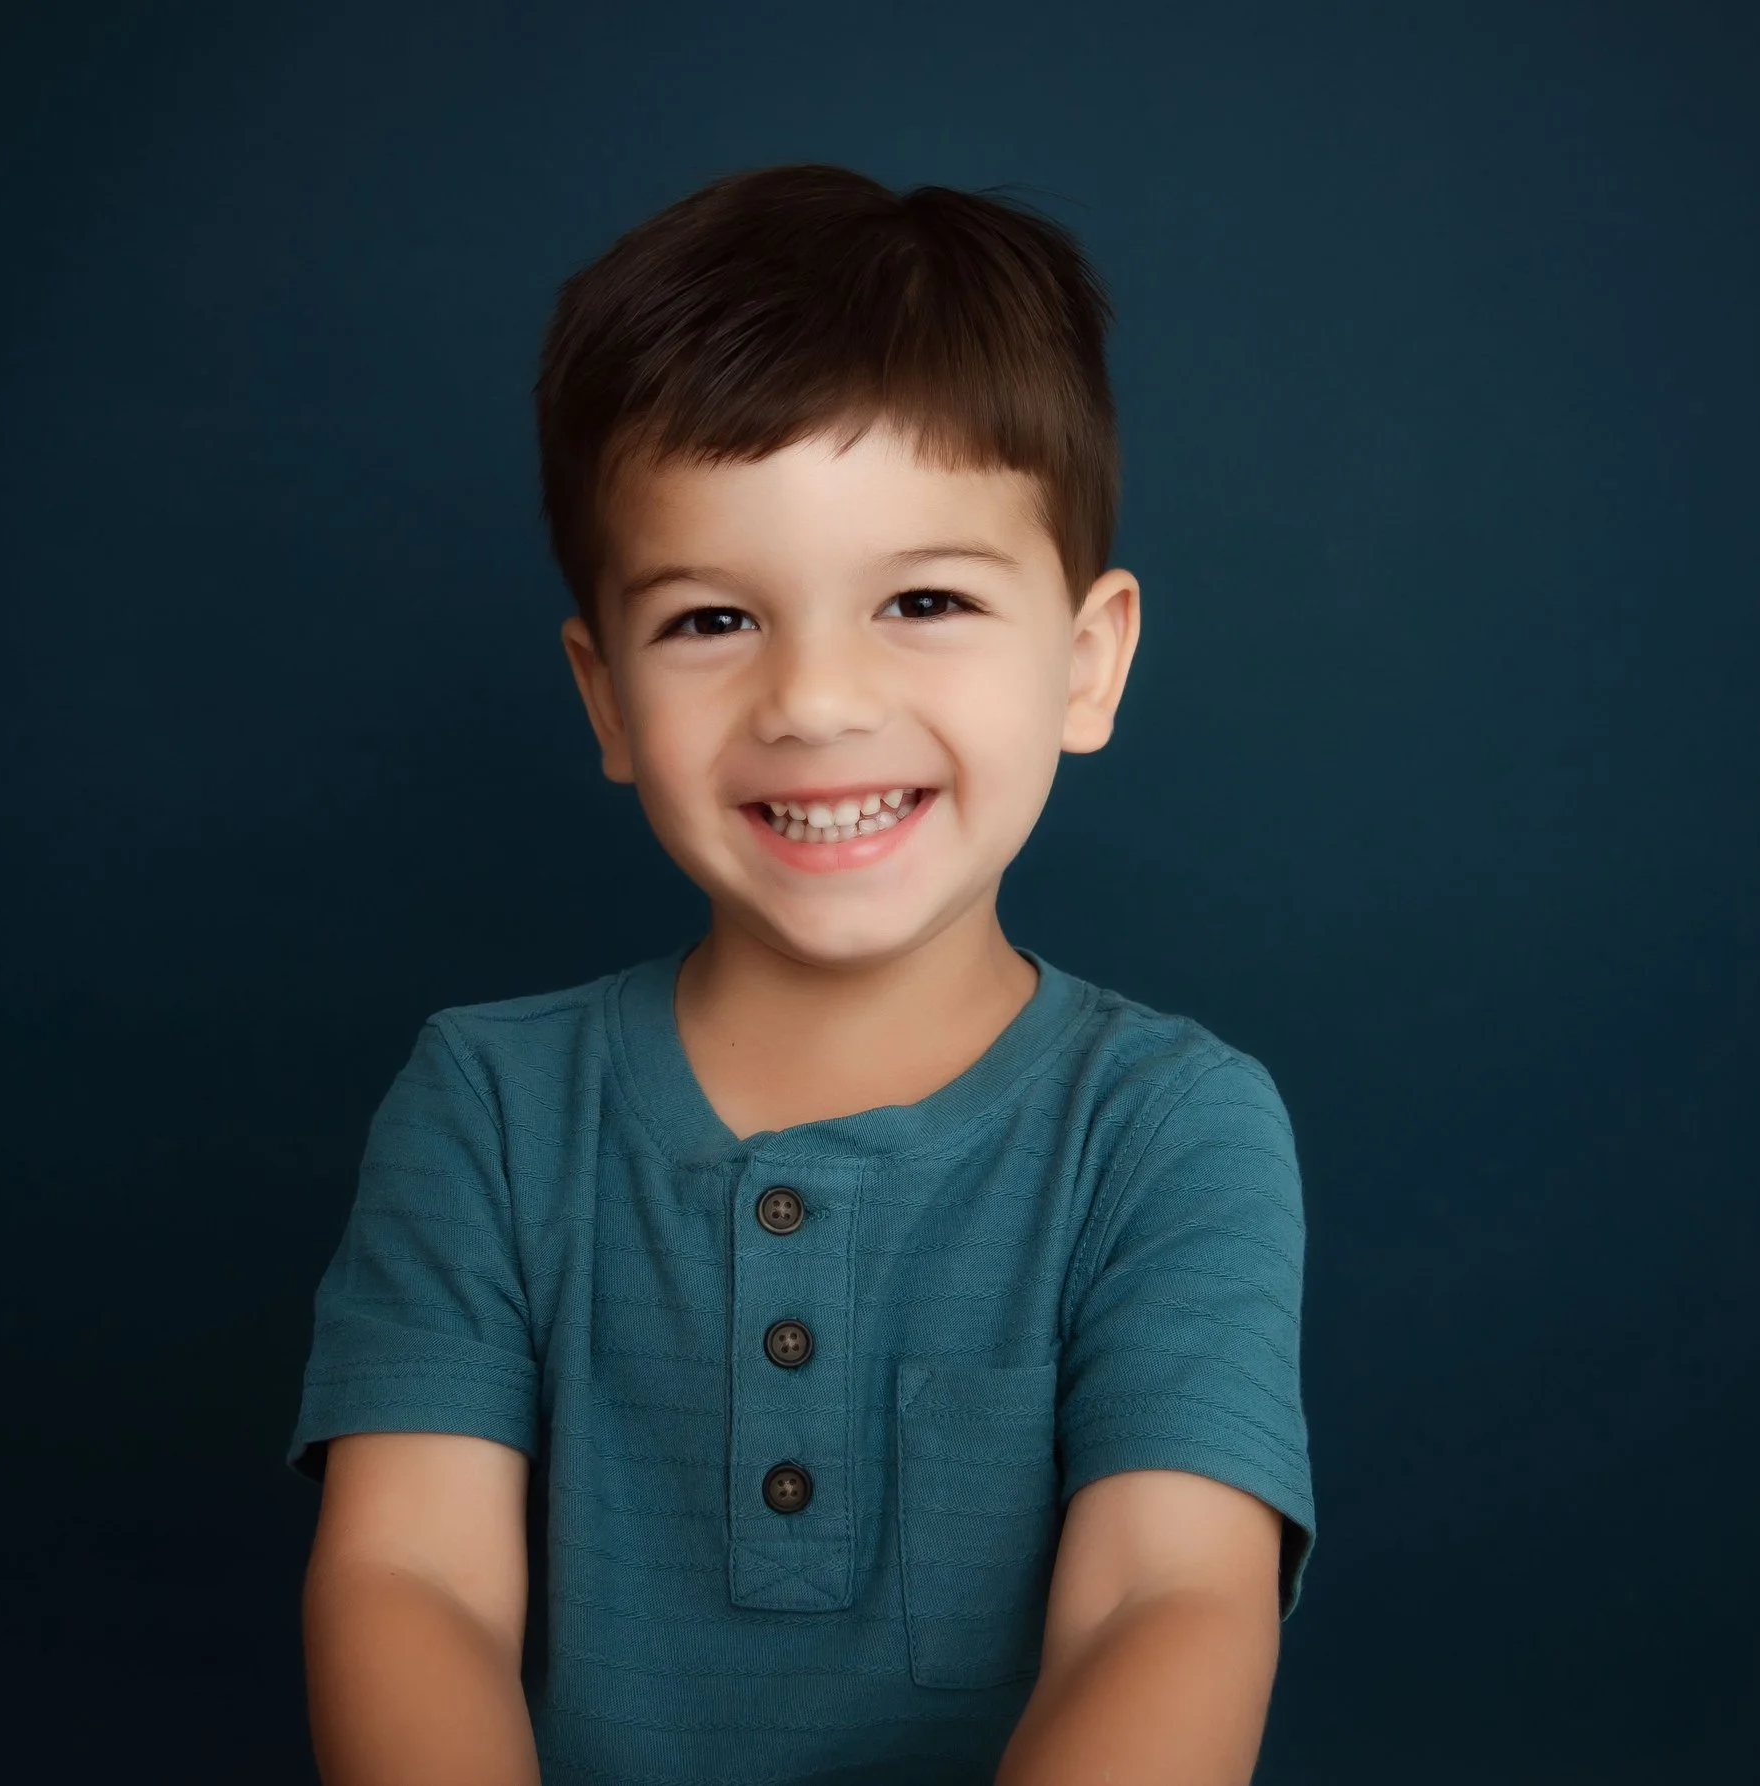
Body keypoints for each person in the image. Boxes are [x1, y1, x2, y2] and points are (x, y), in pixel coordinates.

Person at [287, 162, 1318, 1786]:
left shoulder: (1168, 1128)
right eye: (712, 620)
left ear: (1087, 659)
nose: (817, 700)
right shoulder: (488, 1106)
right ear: (605, 696)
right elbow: (411, 1581)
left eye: (924, 599)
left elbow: (1167, 1600)